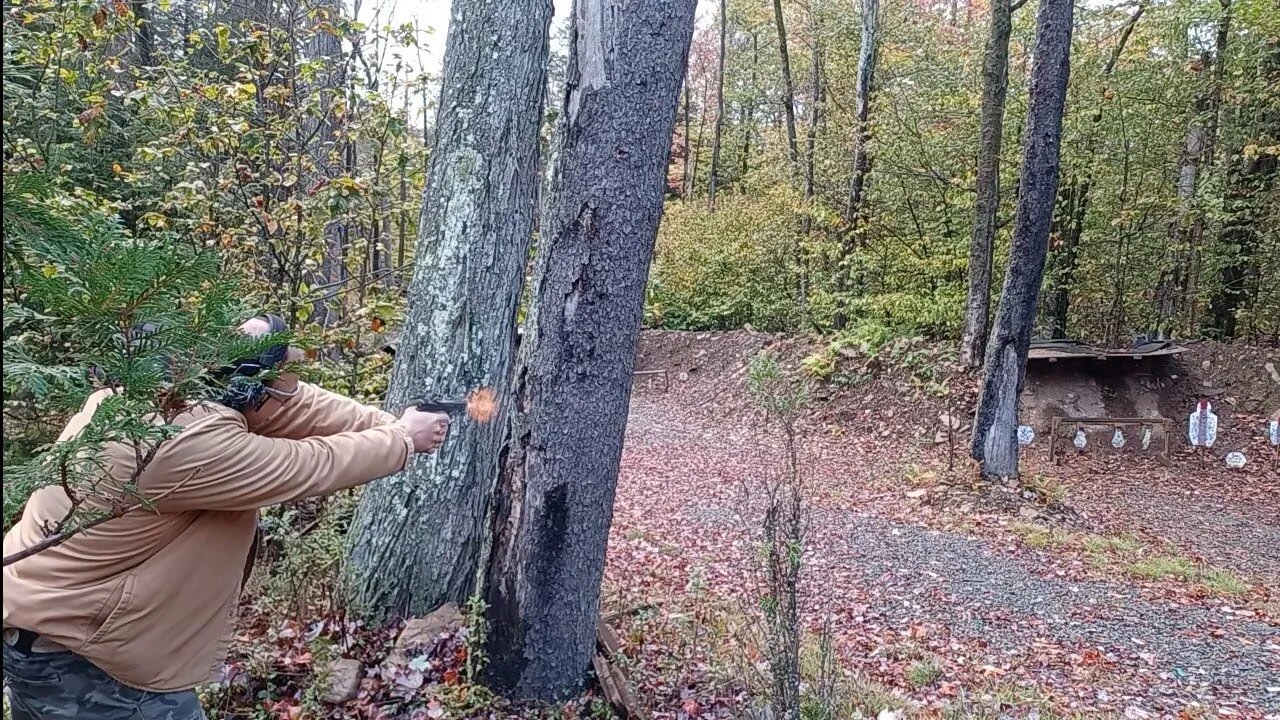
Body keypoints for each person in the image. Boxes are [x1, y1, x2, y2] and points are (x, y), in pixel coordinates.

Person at [2, 315, 450, 719]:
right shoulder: (183, 444)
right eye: (278, 388)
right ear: (247, 391)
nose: (290, 398)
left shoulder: (158, 402)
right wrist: (402, 442)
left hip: (51, 631)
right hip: (83, 657)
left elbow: (296, 404)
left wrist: (388, 424)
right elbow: (308, 464)